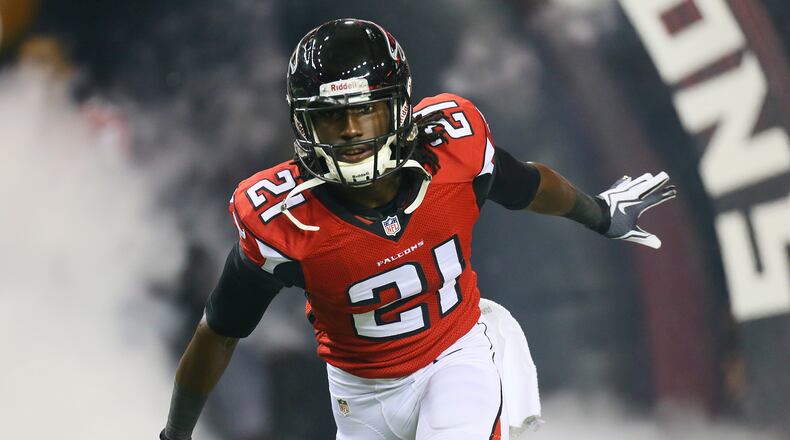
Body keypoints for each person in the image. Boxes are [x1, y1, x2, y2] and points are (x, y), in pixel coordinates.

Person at [159, 18, 677, 440]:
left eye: (366, 111)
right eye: (332, 117)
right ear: (303, 124)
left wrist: (599, 213)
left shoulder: (455, 156)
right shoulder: (283, 222)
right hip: (358, 399)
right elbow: (218, 331)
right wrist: (175, 434)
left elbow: (529, 184)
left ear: (399, 107)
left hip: (455, 358)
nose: (351, 132)